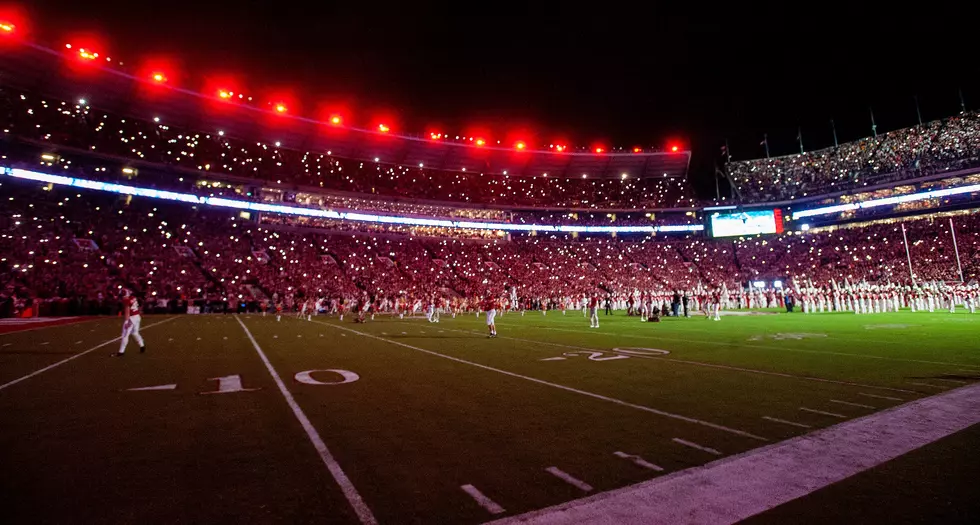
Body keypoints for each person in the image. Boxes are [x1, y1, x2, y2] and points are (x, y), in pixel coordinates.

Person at [112, 288, 145, 357]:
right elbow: (138, 305)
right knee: (135, 333)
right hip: (137, 316)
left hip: (131, 318)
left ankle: (121, 352)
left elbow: (127, 311)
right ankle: (142, 346)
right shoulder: (133, 297)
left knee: (125, 335)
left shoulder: (126, 300)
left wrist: (127, 321)